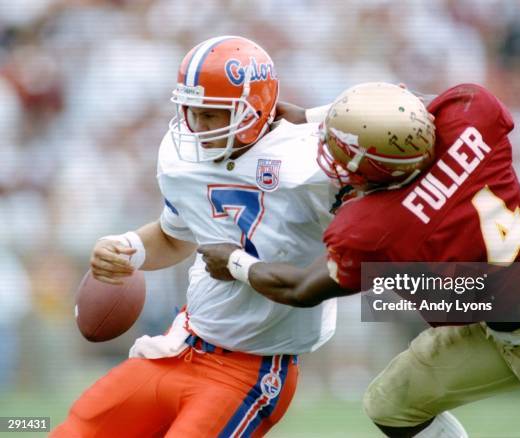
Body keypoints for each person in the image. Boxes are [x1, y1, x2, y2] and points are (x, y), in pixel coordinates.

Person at [200, 82, 520, 437]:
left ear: (373, 169)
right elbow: (413, 105)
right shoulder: (472, 115)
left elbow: (301, 289)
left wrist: (235, 262)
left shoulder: (380, 225)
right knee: (390, 404)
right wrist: (313, 116)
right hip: (498, 322)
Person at [51, 35, 337, 437]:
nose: (197, 126)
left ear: (254, 109)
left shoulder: (311, 160)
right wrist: (126, 249)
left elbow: (353, 256)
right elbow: (174, 237)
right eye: (191, 111)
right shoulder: (182, 157)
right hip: (181, 344)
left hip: (251, 368)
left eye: (211, 115)